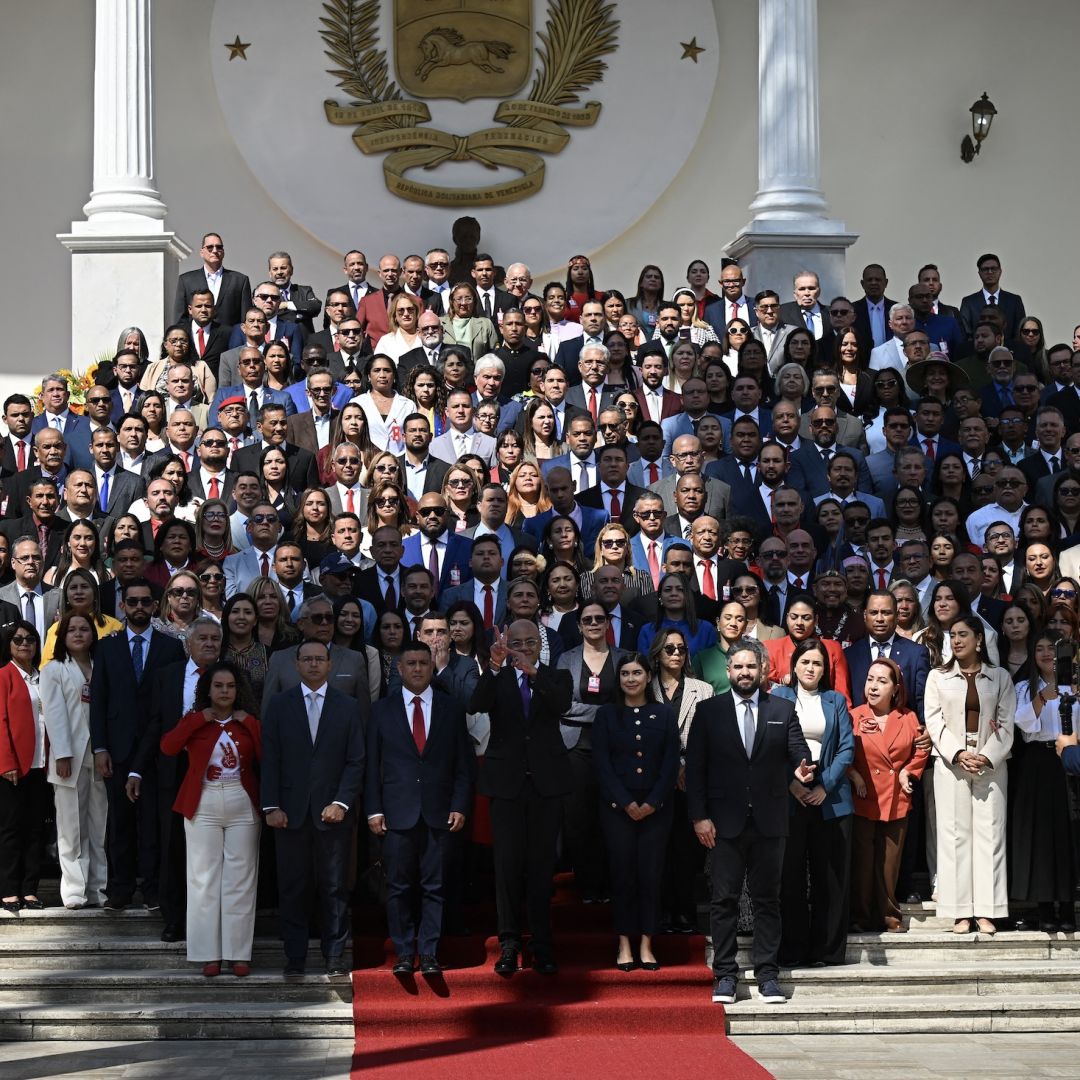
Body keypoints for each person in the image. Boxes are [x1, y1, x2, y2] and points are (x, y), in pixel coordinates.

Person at [686, 637, 816, 1005]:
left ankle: (768, 976)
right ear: (728, 672)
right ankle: (725, 976)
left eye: (751, 666)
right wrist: (699, 817)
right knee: (723, 901)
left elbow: (798, 751)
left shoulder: (782, 708)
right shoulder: (709, 711)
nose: (745, 672)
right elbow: (696, 769)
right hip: (722, 823)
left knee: (767, 901)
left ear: (763, 670)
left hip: (770, 821)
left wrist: (803, 769)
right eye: (738, 666)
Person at [468, 621, 573, 977]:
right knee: (507, 867)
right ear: (505, 644)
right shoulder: (496, 677)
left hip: (546, 784)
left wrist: (534, 674)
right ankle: (509, 944)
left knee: (542, 869)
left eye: (530, 642)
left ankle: (542, 946)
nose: (523, 647)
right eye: (517, 642)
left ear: (540, 645)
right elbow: (476, 704)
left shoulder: (557, 676)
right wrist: (495, 666)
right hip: (506, 785)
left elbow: (561, 706)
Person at [365, 641, 473, 975]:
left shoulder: (450, 708)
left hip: (439, 811)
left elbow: (464, 764)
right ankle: (402, 952)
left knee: (434, 885)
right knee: (398, 886)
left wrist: (459, 805)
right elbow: (372, 765)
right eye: (410, 663)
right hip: (396, 812)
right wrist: (373, 809)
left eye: (422, 663)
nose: (416, 669)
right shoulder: (381, 710)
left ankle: (428, 953)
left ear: (431, 666)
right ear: (399, 669)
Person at [261, 639, 366, 978]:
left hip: (332, 813)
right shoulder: (279, 705)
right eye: (306, 659)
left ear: (330, 664)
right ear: (296, 664)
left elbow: (356, 760)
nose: (313, 665)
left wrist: (341, 802)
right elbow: (270, 758)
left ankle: (335, 955)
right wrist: (271, 806)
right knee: (292, 887)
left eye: (319, 659)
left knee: (334, 887)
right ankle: (295, 956)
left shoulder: (347, 706)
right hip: (289, 813)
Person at [89, 577, 187, 909]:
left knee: (154, 822)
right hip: (116, 748)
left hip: (157, 749)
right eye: (133, 602)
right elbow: (99, 701)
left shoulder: (171, 647)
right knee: (120, 821)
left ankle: (152, 887)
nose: (140, 607)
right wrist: (99, 747)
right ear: (123, 606)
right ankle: (120, 887)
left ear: (155, 606)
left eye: (146, 601)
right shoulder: (106, 646)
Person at [161, 662, 262, 977]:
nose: (225, 692)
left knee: (240, 879)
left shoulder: (248, 722)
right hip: (202, 800)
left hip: (242, 801)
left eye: (230, 686)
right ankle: (208, 954)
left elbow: (268, 753)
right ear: (208, 690)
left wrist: (251, 725)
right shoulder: (194, 720)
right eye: (218, 686)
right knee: (203, 879)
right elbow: (168, 747)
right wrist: (195, 721)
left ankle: (238, 953)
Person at [924, 614, 1015, 935]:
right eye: (953, 636)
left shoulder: (1000, 677)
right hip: (951, 763)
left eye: (963, 635)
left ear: (979, 639)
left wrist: (986, 755)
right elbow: (933, 721)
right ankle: (960, 911)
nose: (957, 641)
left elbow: (1007, 723)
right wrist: (958, 753)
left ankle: (988, 911)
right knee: (954, 836)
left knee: (990, 836)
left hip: (990, 762)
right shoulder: (937, 677)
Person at [770, 639, 855, 966]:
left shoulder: (835, 701)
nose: (810, 668)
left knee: (830, 879)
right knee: (789, 877)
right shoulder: (778, 697)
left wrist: (826, 786)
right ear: (794, 665)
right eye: (805, 662)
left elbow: (847, 747)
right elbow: (770, 743)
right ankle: (792, 950)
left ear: (825, 669)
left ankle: (827, 951)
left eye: (817, 664)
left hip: (830, 796)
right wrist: (792, 783)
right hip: (790, 794)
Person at [593, 652, 680, 970]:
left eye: (637, 673)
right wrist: (625, 803)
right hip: (618, 810)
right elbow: (601, 764)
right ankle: (624, 944)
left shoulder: (664, 714)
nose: (631, 679)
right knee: (623, 876)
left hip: (656, 809)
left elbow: (670, 763)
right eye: (625, 674)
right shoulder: (606, 715)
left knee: (651, 876)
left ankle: (646, 943)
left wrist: (652, 802)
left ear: (648, 676)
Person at [847, 657, 930, 932]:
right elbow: (841, 749)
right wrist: (852, 773)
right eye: (870, 679)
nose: (873, 686)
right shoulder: (854, 715)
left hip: (896, 797)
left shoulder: (908, 717)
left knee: (889, 863)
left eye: (882, 681)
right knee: (862, 862)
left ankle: (888, 913)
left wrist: (910, 771)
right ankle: (859, 916)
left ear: (895, 688)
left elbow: (921, 749)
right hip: (863, 795)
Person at [648, 628, 714, 934]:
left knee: (686, 850)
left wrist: (685, 765)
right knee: (658, 847)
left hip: (691, 778)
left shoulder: (703, 690)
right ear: (658, 653)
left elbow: (707, 737)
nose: (676, 654)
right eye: (670, 649)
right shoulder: (645, 686)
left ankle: (686, 913)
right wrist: (669, 767)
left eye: (681, 649)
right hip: (653, 777)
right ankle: (661, 912)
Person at [1010, 633, 1077, 931]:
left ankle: (1068, 907)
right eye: (1041, 648)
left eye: (1053, 648)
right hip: (1039, 760)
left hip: (1071, 759)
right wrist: (1041, 698)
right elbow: (1022, 723)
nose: (1047, 654)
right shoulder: (1026, 687)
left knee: (1067, 833)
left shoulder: (1075, 687)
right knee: (1042, 836)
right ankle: (1046, 906)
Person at [556, 600, 622, 904]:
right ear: (580, 626)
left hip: (617, 751)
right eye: (588, 619)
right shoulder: (565, 659)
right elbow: (562, 705)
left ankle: (610, 884)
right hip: (575, 749)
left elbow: (633, 700)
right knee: (578, 820)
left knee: (612, 818)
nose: (594, 623)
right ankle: (587, 886)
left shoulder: (625, 658)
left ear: (608, 623)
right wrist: (608, 712)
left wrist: (607, 713)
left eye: (599, 618)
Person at [40, 612, 107, 909]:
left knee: (99, 826)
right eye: (72, 630)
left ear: (93, 635)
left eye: (84, 629)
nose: (78, 634)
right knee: (70, 828)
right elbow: (54, 715)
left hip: (99, 755)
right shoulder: (54, 669)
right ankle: (74, 891)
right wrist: (62, 754)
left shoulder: (100, 667)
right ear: (62, 637)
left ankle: (98, 889)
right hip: (69, 758)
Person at [0, 622, 49, 912]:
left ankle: (30, 889)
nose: (24, 643)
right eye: (17, 639)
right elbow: (1, 722)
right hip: (13, 766)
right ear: (8, 644)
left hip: (41, 765)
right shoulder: (4, 675)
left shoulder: (42, 677)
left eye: (30, 639)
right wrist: (6, 762)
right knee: (10, 829)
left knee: (35, 829)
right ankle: (8, 889)